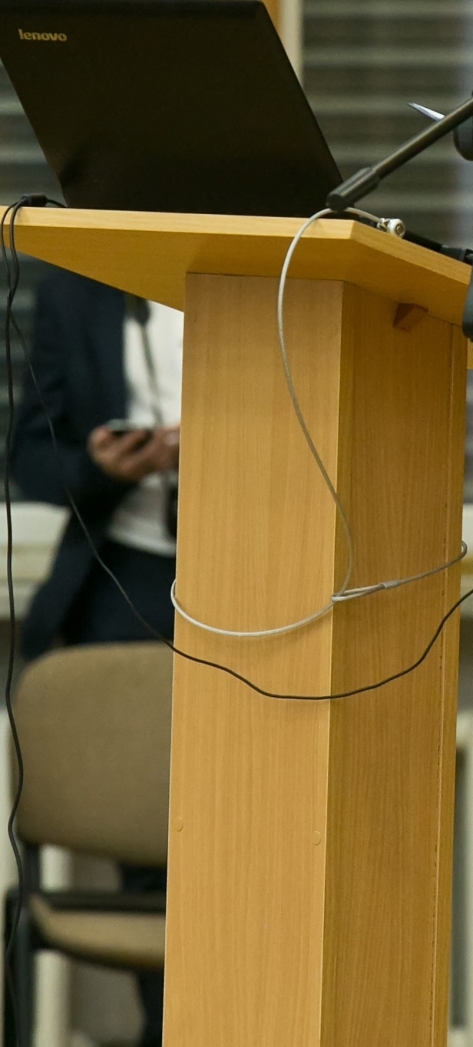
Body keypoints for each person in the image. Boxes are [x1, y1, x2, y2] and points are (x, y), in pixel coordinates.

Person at [13, 267, 182, 1047]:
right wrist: (101, 468)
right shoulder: (76, 285)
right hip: (127, 577)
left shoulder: (276, 267)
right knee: (153, 848)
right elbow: (31, 458)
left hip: (262, 569)